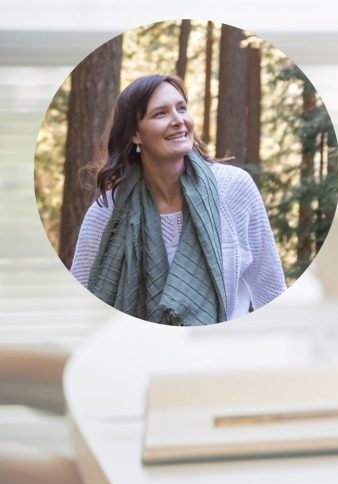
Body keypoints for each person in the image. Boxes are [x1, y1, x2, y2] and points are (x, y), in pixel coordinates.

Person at [69, 75, 286, 325]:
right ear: (135, 134)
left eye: (181, 108)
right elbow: (80, 307)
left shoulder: (234, 189)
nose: (178, 120)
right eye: (160, 113)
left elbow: (271, 292)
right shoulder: (107, 212)